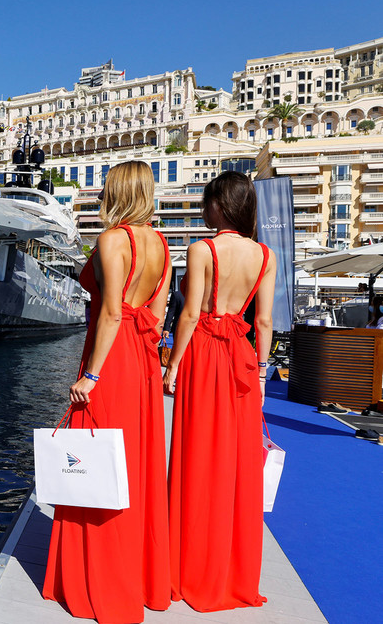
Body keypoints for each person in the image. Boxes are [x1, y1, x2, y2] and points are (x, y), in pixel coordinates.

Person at [43, 160, 172, 622]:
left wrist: (90, 376)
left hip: (110, 361)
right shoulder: (161, 244)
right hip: (141, 361)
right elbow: (155, 314)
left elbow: (112, 314)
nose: (99, 198)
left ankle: (96, 575)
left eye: (104, 191)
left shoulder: (113, 239)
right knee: (133, 464)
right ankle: (135, 572)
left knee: (93, 461)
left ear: (117, 192)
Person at [162, 171, 275, 613]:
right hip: (242, 363)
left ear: (221, 205)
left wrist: (172, 365)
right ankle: (230, 571)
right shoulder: (265, 254)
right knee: (234, 466)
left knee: (196, 456)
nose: (203, 209)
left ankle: (189, 568)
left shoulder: (203, 249)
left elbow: (190, 314)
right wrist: (263, 376)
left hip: (205, 356)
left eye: (207, 202)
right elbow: (263, 322)